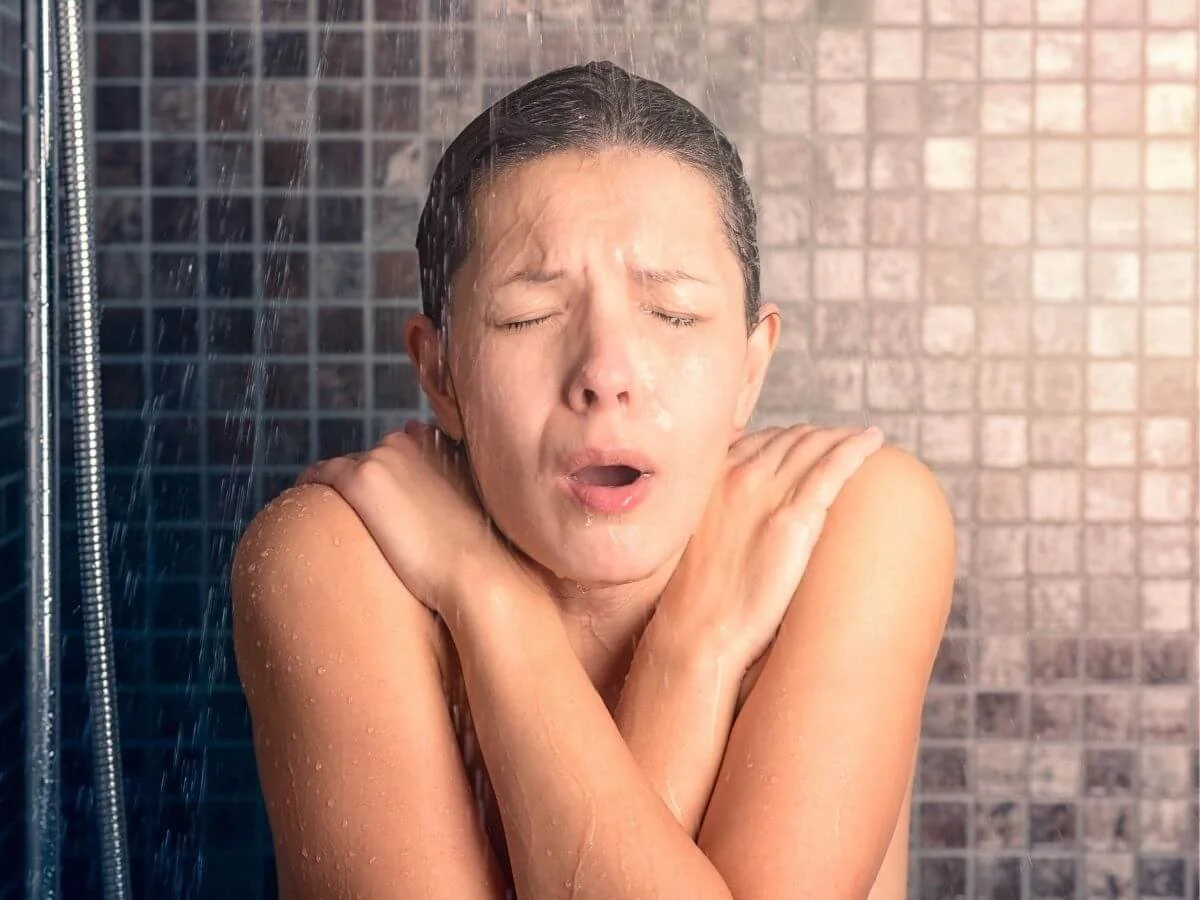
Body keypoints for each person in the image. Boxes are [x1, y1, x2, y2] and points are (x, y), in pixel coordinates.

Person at [231, 60, 956, 900]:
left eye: (674, 313)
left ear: (750, 368)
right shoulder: (332, 558)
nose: (606, 372)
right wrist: (497, 602)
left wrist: (695, 646)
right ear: (441, 374)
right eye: (528, 316)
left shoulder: (846, 522)